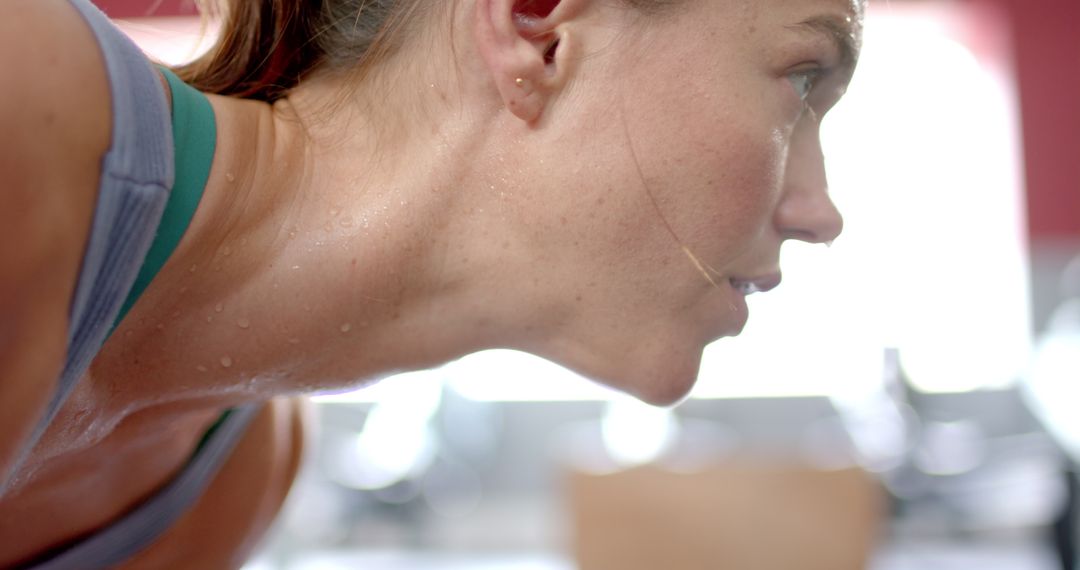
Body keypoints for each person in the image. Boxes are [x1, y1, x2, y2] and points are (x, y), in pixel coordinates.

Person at [0, 0, 861, 566]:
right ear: (539, 30)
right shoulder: (22, 100)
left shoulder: (239, 473)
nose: (821, 213)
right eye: (801, 80)